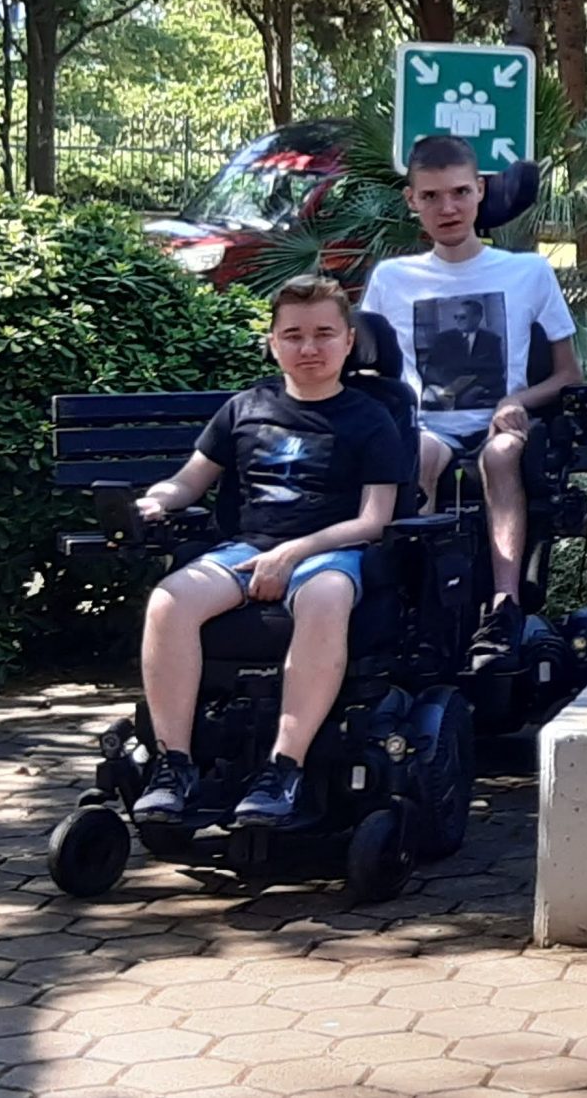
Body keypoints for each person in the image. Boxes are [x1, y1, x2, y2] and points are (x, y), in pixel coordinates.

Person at [131, 277, 411, 826]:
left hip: (330, 552)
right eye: (294, 335)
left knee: (326, 597)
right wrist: (155, 500)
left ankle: (284, 768)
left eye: (324, 334)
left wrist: (294, 553)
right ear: (273, 343)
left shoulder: (373, 417)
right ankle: (174, 766)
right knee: (169, 600)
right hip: (245, 549)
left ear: (349, 342)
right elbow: (188, 482)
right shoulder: (244, 408)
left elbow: (374, 519)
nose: (309, 348)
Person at [361, 135, 579, 674]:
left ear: (480, 190)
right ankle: (423, 609)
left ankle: (505, 604)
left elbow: (568, 374)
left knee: (500, 456)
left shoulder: (528, 271)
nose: (448, 208)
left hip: (501, 422)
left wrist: (518, 399)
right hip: (426, 424)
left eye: (460, 192)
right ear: (412, 200)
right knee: (421, 455)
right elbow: (371, 373)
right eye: (431, 196)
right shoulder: (392, 279)